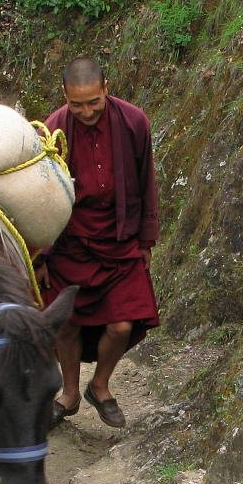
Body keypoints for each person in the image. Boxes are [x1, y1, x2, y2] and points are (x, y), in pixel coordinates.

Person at [43, 57, 160, 430]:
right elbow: (42, 197)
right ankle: (70, 393)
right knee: (66, 323)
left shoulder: (133, 122)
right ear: (65, 96)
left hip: (119, 237)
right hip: (70, 240)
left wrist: (146, 239)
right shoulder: (53, 130)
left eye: (93, 101)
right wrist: (41, 254)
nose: (86, 111)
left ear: (106, 87)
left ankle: (101, 385)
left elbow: (146, 181)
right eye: (77, 104)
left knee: (123, 324)